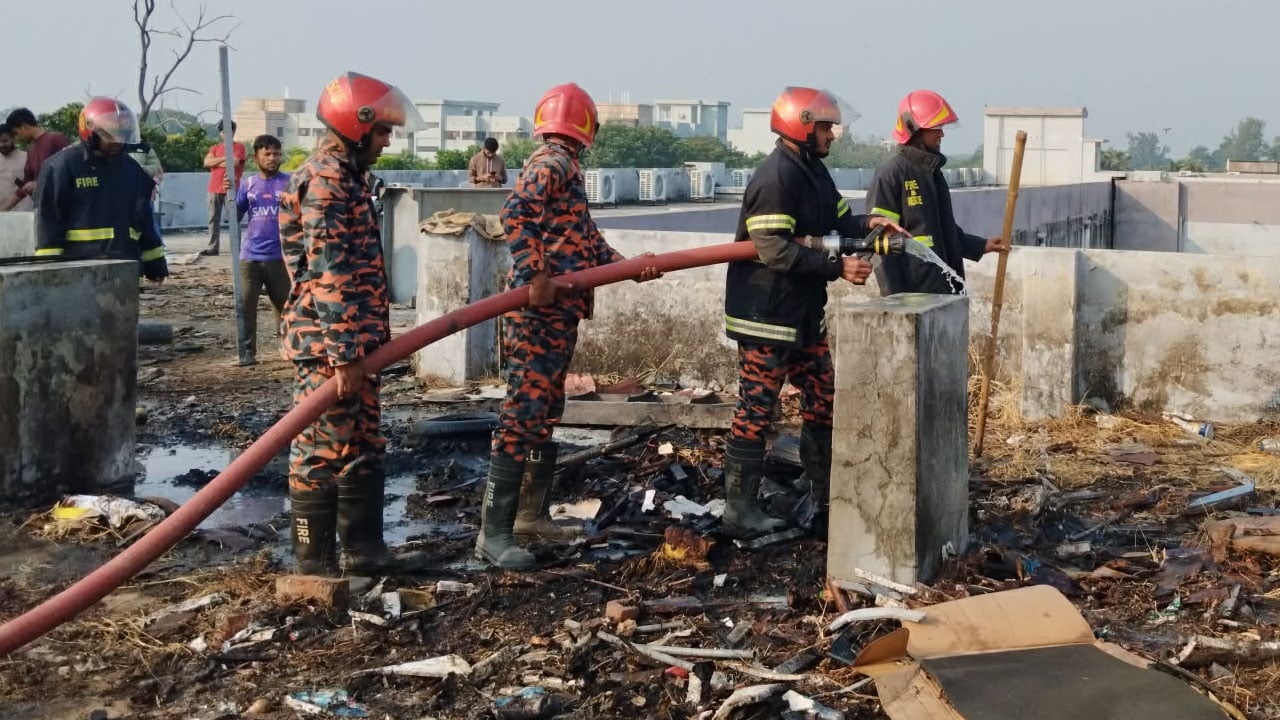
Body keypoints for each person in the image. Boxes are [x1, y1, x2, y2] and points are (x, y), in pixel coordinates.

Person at [475, 82, 662, 569]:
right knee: (522, 413)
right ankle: (493, 534)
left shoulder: (565, 169)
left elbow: (585, 241)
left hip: (560, 315)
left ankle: (530, 518)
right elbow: (515, 214)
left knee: (544, 408)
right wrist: (537, 274)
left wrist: (628, 265)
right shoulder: (552, 163)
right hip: (538, 314)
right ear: (586, 126)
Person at [722, 86, 907, 538]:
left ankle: (821, 493)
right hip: (765, 316)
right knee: (756, 409)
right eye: (825, 126)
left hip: (801, 314)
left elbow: (841, 222)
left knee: (824, 396)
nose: (832, 135)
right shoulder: (776, 178)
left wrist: (872, 224)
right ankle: (738, 510)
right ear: (801, 127)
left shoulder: (813, 173)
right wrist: (837, 265)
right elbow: (773, 249)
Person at [279, 72, 425, 576]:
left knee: (361, 443)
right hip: (328, 348)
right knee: (321, 449)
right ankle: (314, 567)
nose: (387, 142)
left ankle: (365, 555)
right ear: (354, 124)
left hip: (356, 347)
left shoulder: (348, 178)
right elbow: (328, 273)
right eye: (382, 132)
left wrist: (360, 349)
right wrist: (343, 354)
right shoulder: (323, 182)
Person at [867, 90, 1004, 296]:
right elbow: (880, 244)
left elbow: (945, 230)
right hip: (916, 294)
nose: (942, 134)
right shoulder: (892, 175)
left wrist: (980, 245)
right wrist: (893, 302)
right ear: (915, 129)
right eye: (936, 128)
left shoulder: (933, 174)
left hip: (946, 288)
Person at [32, 98, 168, 283]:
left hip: (125, 268)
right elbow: (48, 221)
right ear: (90, 132)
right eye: (110, 135)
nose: (117, 142)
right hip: (78, 271)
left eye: (121, 135)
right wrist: (48, 270)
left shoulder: (132, 170)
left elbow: (143, 220)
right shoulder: (62, 167)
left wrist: (155, 263)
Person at [232, 134, 290, 367]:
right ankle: (246, 353)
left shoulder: (289, 183)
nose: (272, 158)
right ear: (256, 157)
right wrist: (228, 193)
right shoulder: (248, 184)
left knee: (285, 305)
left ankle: (287, 347)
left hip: (280, 257)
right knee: (245, 305)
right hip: (250, 257)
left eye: (276, 153)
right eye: (267, 154)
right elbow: (235, 214)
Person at [2, 107, 70, 211]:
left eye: (16, 133)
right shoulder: (31, 150)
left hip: (62, 209)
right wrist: (3, 210)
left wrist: (40, 183)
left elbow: (71, 171)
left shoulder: (55, 139)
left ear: (24, 126)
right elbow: (24, 187)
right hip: (42, 211)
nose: (17, 137)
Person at [200, 120, 246, 256]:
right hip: (214, 187)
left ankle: (235, 248)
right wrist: (225, 158)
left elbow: (235, 162)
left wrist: (216, 161)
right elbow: (206, 162)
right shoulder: (214, 148)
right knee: (213, 219)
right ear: (220, 133)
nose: (226, 134)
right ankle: (212, 247)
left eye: (229, 131)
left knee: (234, 219)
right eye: (223, 131)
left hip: (231, 187)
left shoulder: (239, 147)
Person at [0, 124, 32, 211]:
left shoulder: (28, 158)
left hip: (23, 214)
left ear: (14, 138)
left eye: (5, 141)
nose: (1, 145)